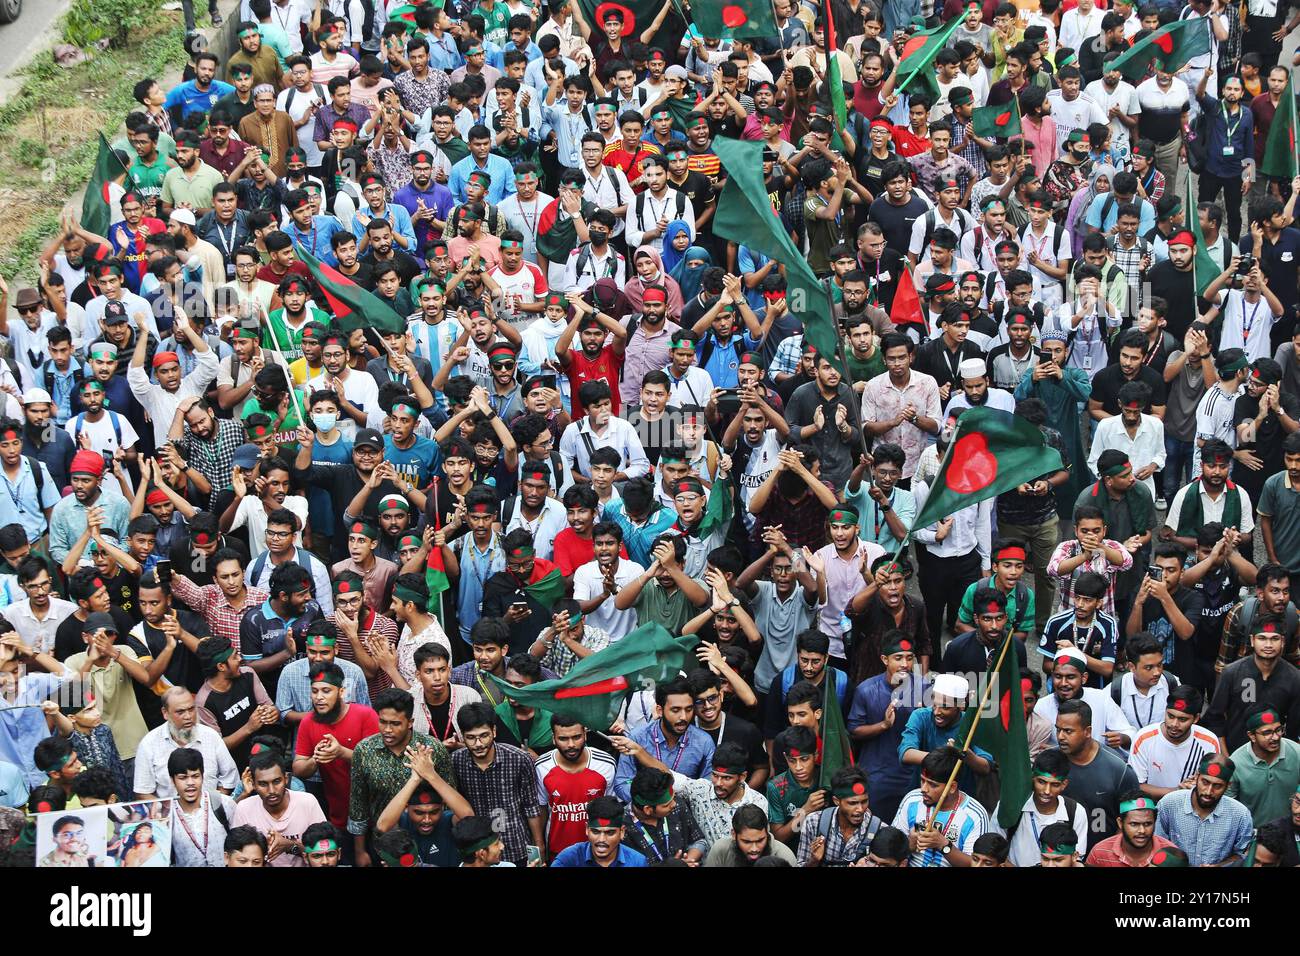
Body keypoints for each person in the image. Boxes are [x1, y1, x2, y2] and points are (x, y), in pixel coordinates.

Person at [892, 746, 990, 868]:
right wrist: (909, 845)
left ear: (952, 787)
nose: (924, 789)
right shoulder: (912, 799)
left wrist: (943, 845)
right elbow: (890, 850)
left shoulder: (975, 815)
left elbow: (976, 864)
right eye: (922, 780)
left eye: (933, 785)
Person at [1154, 754, 1254, 867]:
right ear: (1196, 777)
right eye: (1205, 782)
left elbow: (1242, 855)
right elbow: (1157, 845)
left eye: (1217, 786)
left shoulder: (1240, 815)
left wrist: (1220, 866)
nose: (1208, 791)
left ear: (1228, 786)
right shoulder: (1169, 804)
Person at [1226, 705, 1300, 826]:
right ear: (1252, 736)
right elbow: (1228, 807)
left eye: (1278, 730)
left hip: (1291, 835)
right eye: (1267, 733)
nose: (1276, 737)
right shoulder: (1235, 763)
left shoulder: (1297, 753)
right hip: (1253, 837)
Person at [169, 747, 239, 867]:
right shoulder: (167, 816)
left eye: (195, 776)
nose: (190, 782)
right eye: (183, 777)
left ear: (202, 776)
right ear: (172, 780)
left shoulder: (224, 804)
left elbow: (241, 845)